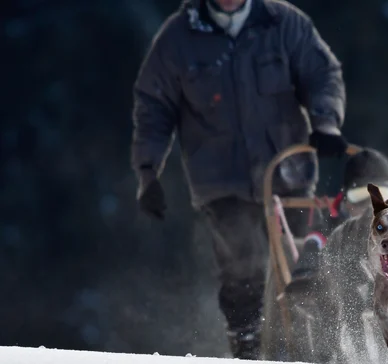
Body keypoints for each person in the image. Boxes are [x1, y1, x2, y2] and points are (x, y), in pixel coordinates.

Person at [130, 0, 346, 359]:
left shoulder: (283, 22)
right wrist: (148, 172)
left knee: (304, 265)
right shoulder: (177, 38)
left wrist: (325, 122)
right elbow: (153, 106)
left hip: (287, 173)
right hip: (221, 183)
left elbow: (322, 74)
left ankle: (321, 347)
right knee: (241, 268)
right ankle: (247, 348)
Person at [289, 148, 388, 283]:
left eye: (382, 195)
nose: (371, 208)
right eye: (360, 197)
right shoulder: (326, 233)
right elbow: (302, 288)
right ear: (345, 201)